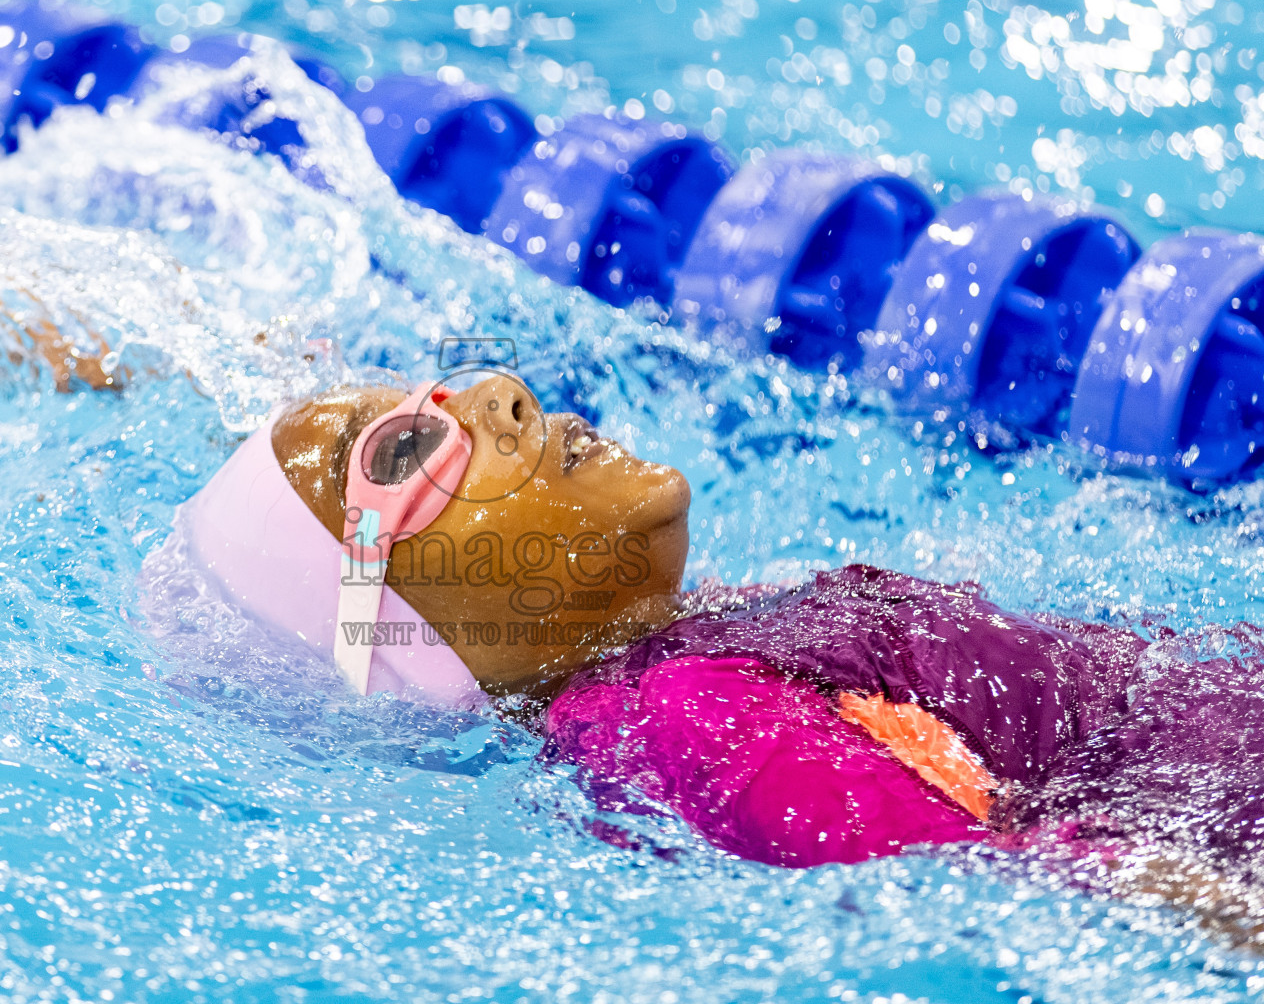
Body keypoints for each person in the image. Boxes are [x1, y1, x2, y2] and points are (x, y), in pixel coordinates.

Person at [153, 372, 1264, 942]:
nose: (497, 397)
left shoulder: (684, 655)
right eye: (409, 448)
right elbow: (1028, 881)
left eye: (434, 389)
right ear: (393, 629)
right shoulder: (688, 717)